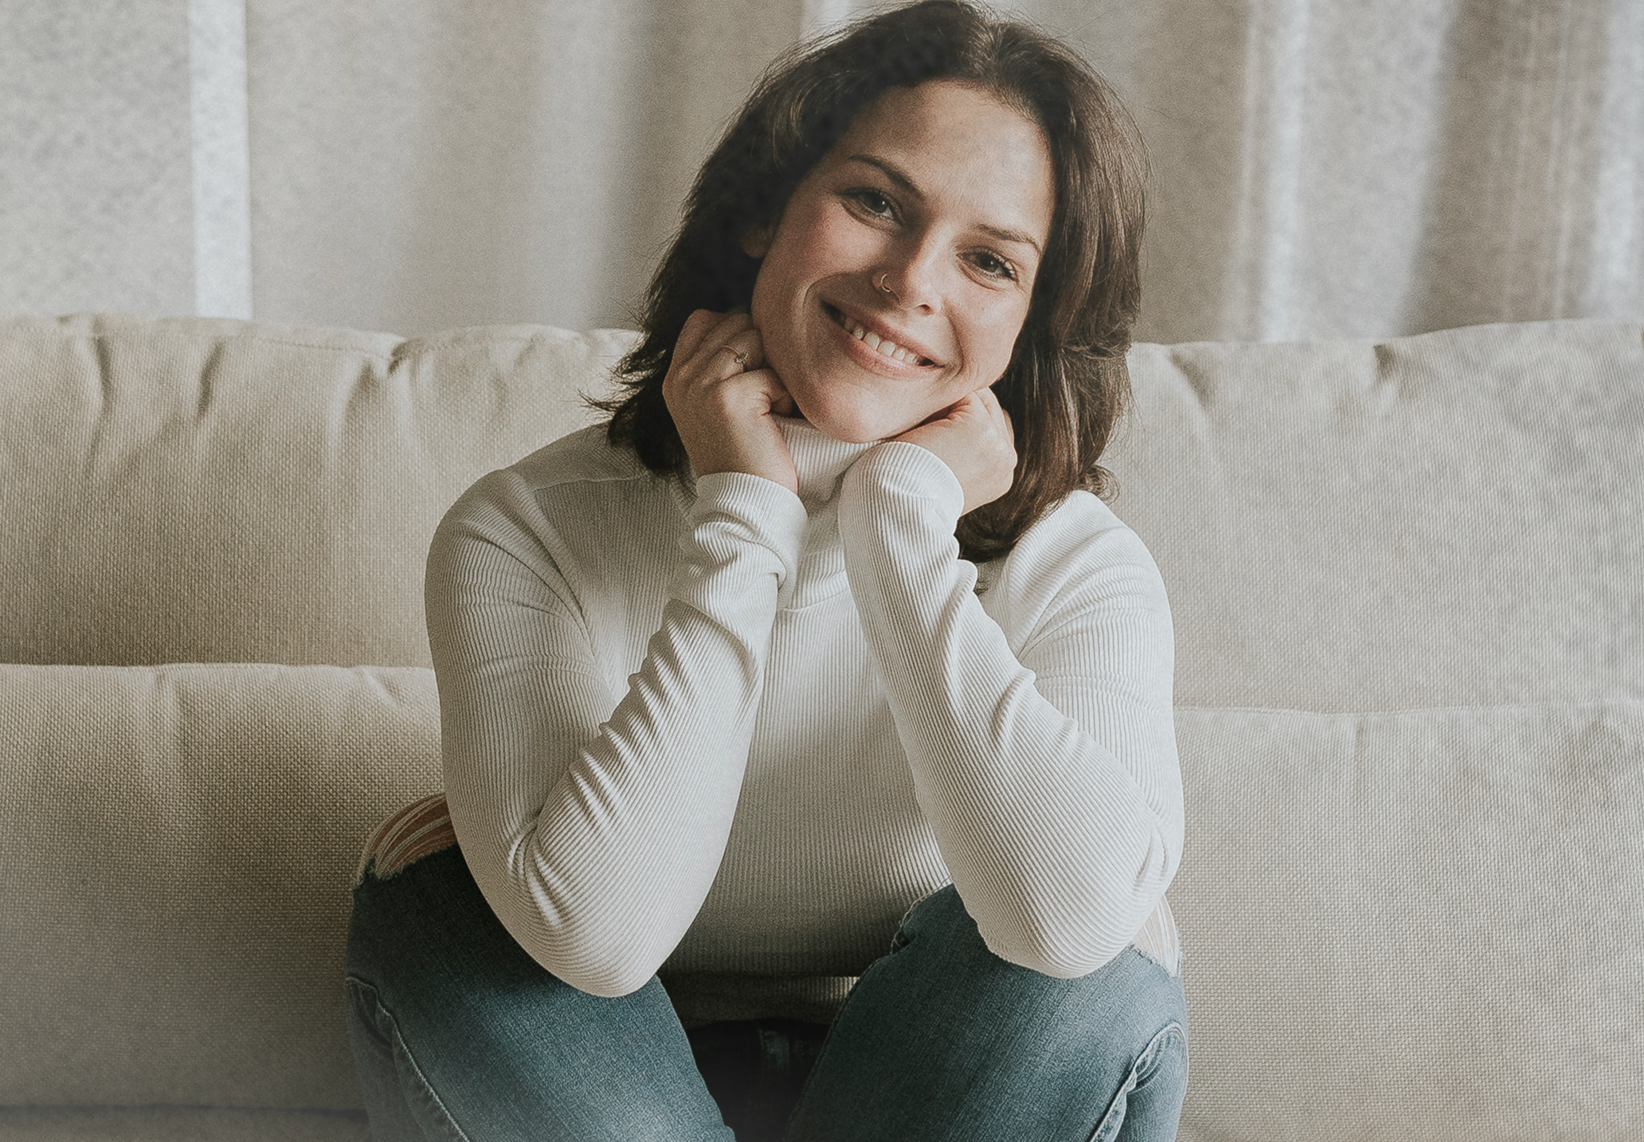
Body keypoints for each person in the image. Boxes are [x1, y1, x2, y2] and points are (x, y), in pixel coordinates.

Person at [345, 2, 1182, 1138]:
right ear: (761, 215)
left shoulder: (1077, 566)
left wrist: (896, 519)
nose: (909, 281)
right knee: (450, 903)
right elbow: (596, 934)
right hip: (602, 1069)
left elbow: (1066, 924)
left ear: (1035, 322)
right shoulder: (523, 532)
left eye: (988, 259)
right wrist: (747, 515)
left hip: (934, 1081)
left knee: (1092, 951)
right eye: (875, 201)